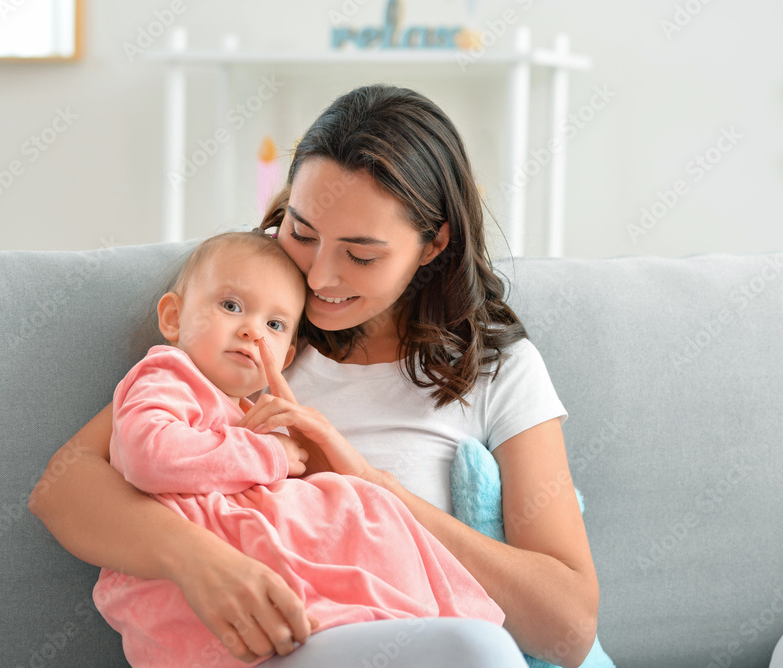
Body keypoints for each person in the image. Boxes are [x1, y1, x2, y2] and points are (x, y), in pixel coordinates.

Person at [30, 84, 598, 668]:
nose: (320, 276)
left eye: (361, 254)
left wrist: (379, 489)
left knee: (473, 648)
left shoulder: (495, 372)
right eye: (302, 233)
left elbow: (569, 626)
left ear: (433, 244)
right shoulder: (248, 334)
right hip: (261, 648)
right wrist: (198, 561)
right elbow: (65, 487)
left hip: (409, 646)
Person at [95, 231, 506, 667]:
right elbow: (150, 453)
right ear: (174, 317)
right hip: (207, 600)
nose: (252, 329)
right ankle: (403, 618)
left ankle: (406, 614)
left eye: (274, 325)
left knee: (362, 501)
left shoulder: (246, 408)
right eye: (231, 306)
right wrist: (271, 455)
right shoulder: (168, 373)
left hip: (268, 594)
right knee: (352, 502)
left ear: (287, 355)